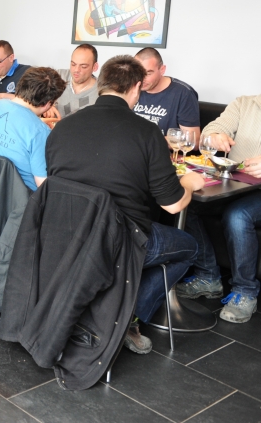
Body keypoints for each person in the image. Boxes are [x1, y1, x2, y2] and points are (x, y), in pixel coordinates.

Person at [46, 55, 203, 353]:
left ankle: (111, 298)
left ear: (101, 83)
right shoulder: (147, 132)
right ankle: (129, 317)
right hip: (120, 241)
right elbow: (172, 206)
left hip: (65, 232)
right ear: (136, 88)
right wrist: (190, 184)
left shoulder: (63, 126)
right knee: (189, 247)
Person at [178, 94, 261, 323]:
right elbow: (212, 130)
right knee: (189, 202)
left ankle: (245, 291)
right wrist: (215, 137)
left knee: (238, 215)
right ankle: (208, 277)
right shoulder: (245, 103)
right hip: (237, 184)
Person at [0, 67, 65, 191]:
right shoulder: (40, 132)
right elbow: (43, 185)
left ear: (21, 85)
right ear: (48, 103)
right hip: (19, 197)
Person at [133, 47, 200, 140]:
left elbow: (193, 140)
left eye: (148, 73)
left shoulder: (183, 93)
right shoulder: (131, 88)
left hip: (165, 149)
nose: (141, 79)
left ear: (162, 70)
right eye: (137, 72)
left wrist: (150, 141)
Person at [43, 44, 100, 120]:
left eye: (83, 66)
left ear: (95, 67)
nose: (76, 70)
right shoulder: (58, 76)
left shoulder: (101, 92)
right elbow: (31, 95)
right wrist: (45, 105)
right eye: (73, 64)